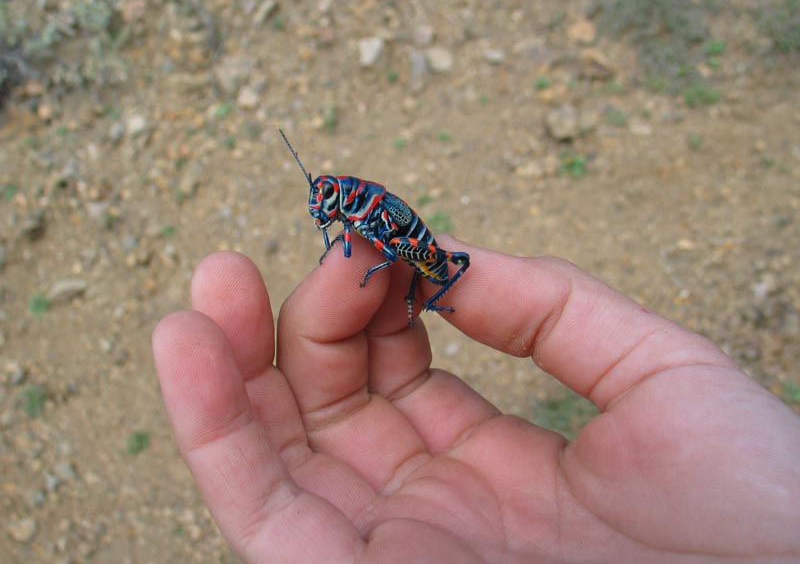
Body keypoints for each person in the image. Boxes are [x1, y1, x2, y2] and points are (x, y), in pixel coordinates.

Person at [152, 236, 800, 563]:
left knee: (392, 263)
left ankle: (423, 295)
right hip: (394, 267)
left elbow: (379, 239)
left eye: (330, 201)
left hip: (410, 255)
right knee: (361, 268)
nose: (326, 208)